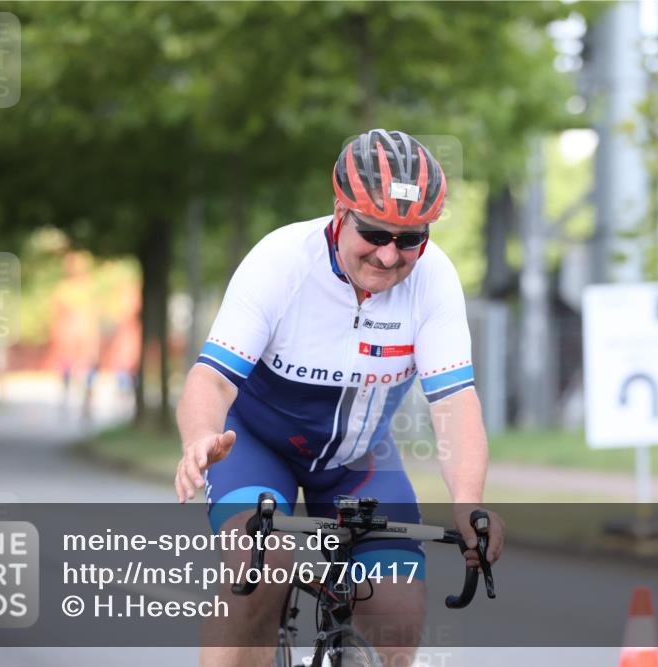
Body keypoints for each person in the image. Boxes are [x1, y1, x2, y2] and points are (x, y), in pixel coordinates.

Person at [175, 129, 505, 666]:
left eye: (409, 239)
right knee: (262, 572)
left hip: (358, 459)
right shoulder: (281, 260)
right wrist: (200, 438)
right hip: (256, 446)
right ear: (339, 212)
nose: (388, 254)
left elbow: (454, 403)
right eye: (373, 232)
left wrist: (469, 504)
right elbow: (211, 378)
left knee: (399, 624)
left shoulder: (434, 280)